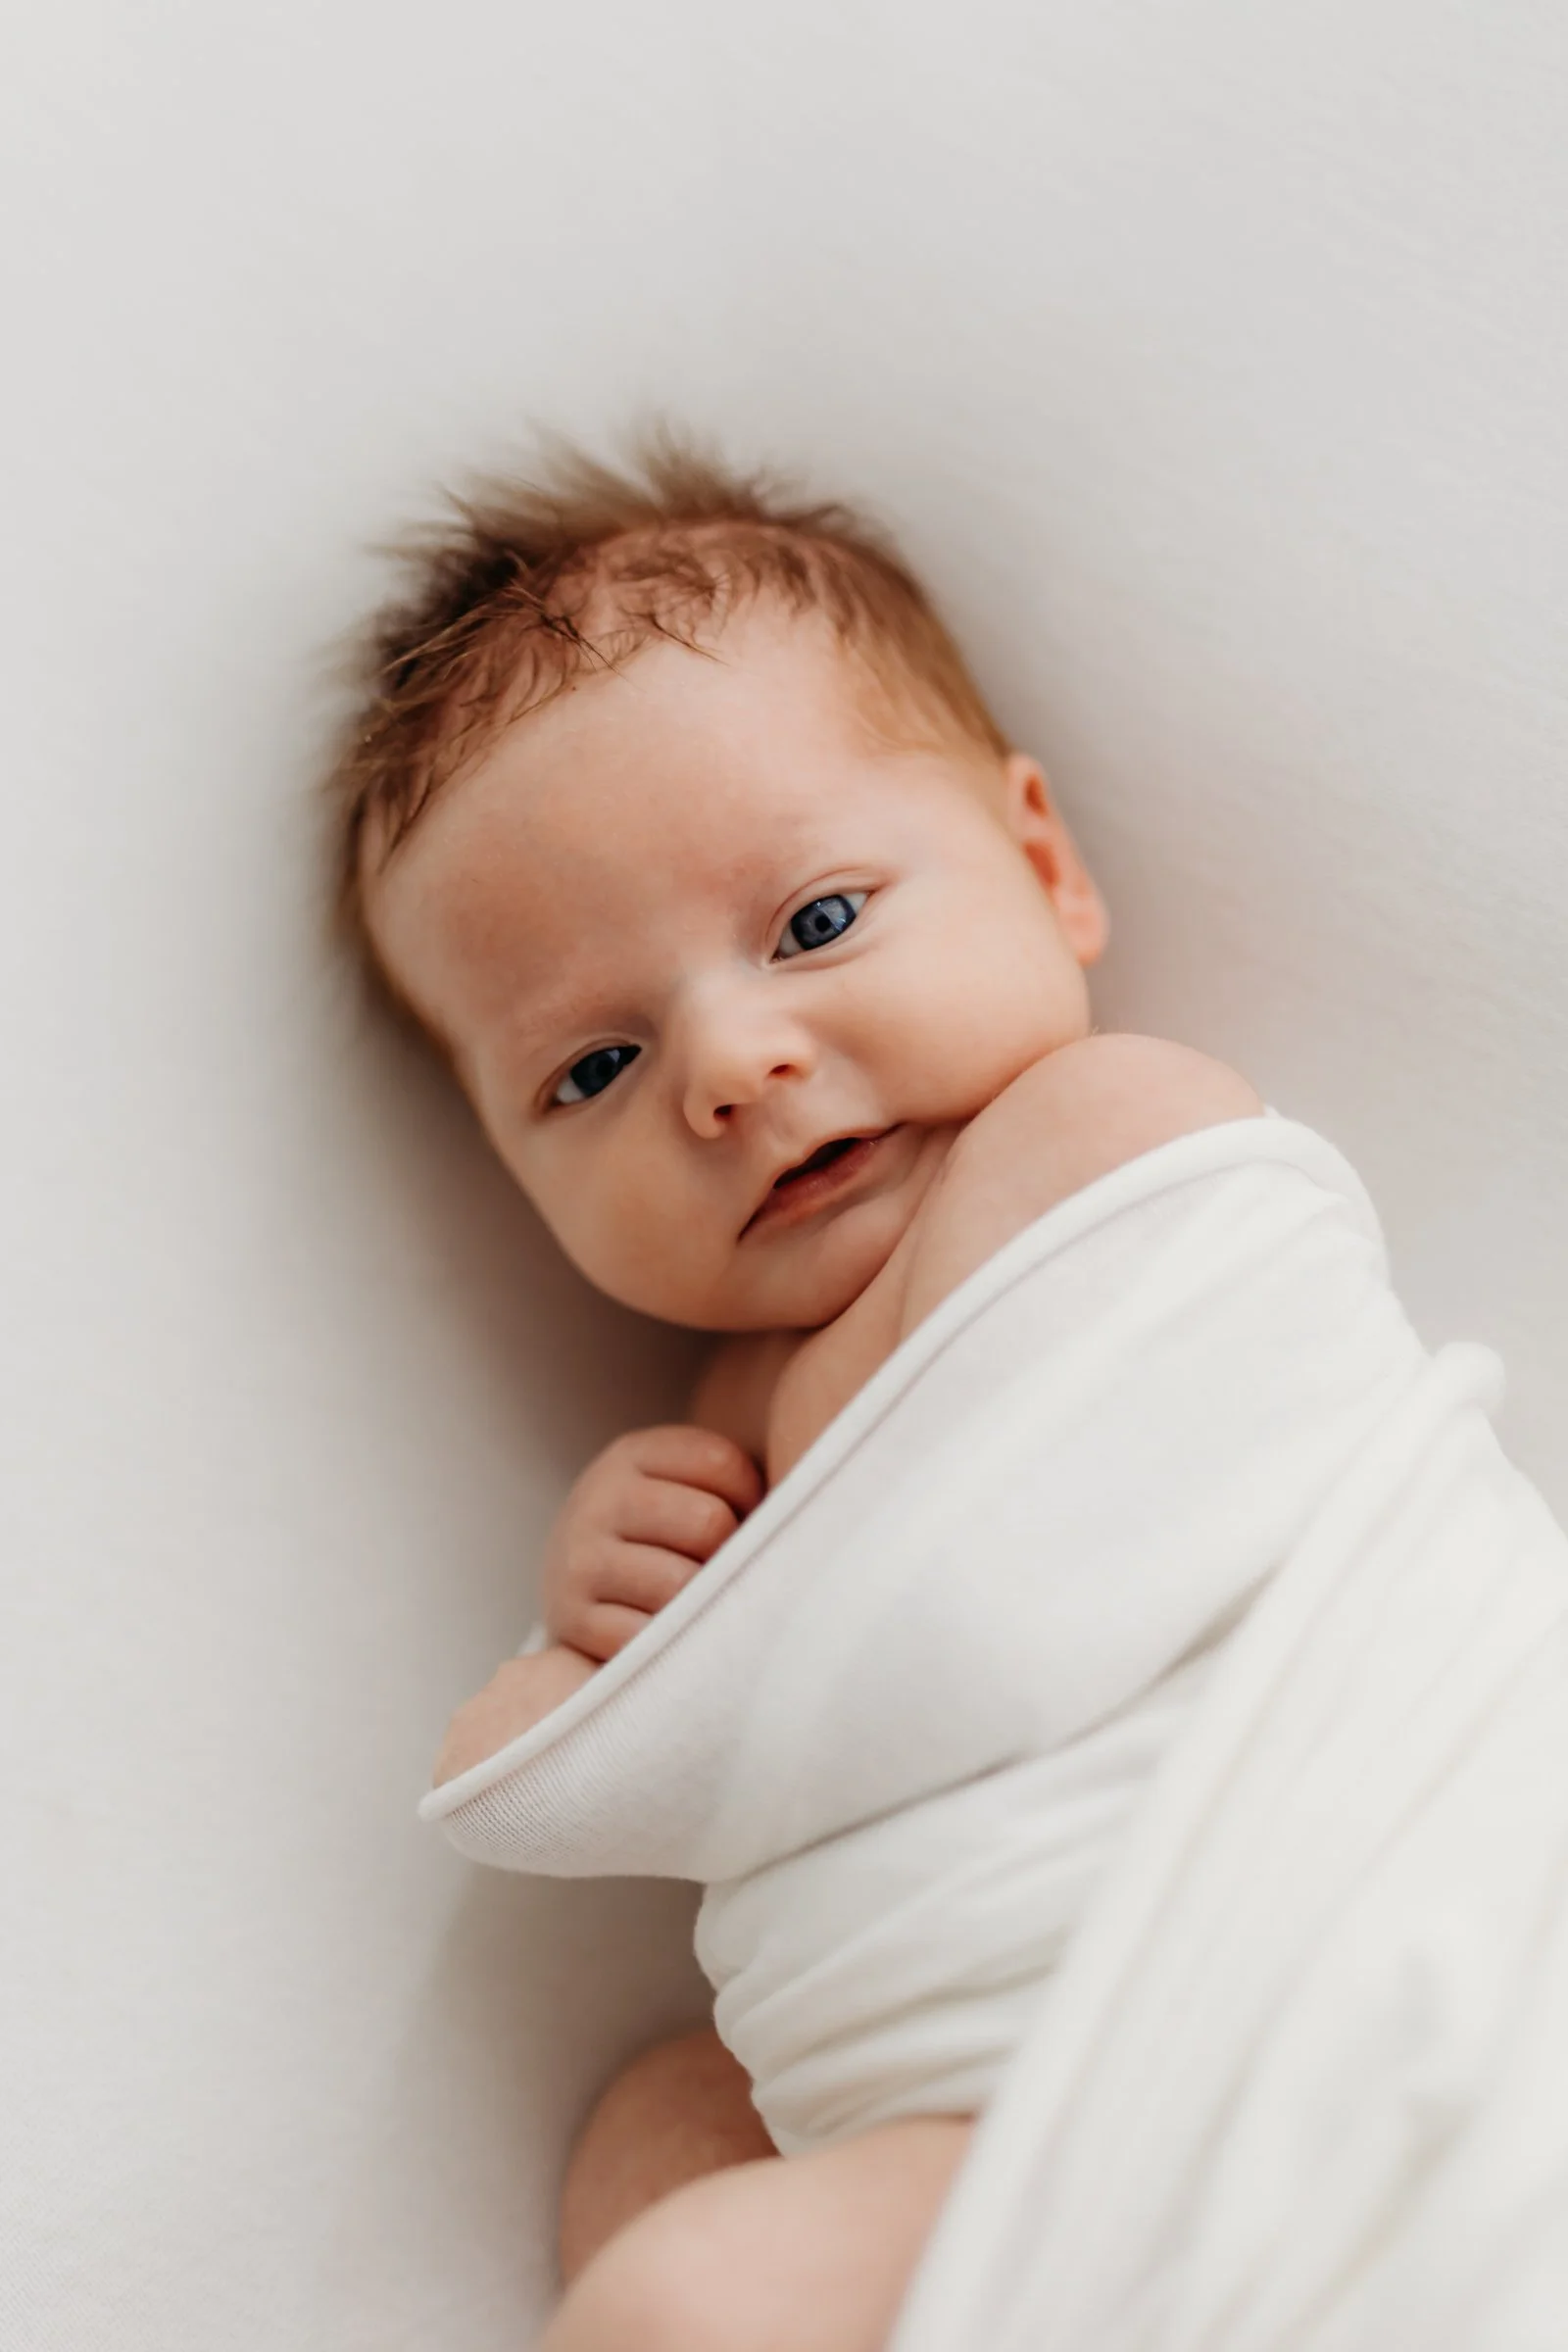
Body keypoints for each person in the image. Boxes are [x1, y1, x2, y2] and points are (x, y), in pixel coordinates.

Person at [325, 438, 1262, 2349]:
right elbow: (521, 1788)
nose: (735, 1067)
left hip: (1242, 1980)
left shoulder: (1115, 1138)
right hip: (956, 2096)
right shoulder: (713, 1443)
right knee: (648, 2135)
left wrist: (744, 1622)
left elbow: (1041, 1560)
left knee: (682, 2297)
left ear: (1044, 868)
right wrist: (597, 1619)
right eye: (590, 1068)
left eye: (815, 923)